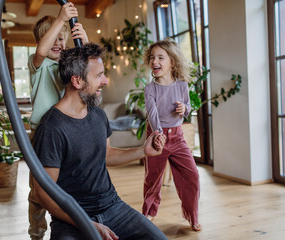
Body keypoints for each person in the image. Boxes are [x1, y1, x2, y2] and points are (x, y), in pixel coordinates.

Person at [32, 43, 168, 240]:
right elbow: (42, 193)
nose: (105, 81)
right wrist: (86, 223)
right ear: (77, 81)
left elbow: (106, 154)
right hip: (72, 218)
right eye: (98, 75)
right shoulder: (52, 128)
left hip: (112, 206)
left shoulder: (97, 114)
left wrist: (143, 151)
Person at [27, 3, 89, 239]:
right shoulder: (38, 64)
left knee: (66, 181)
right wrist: (61, 19)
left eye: (62, 40)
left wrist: (84, 37)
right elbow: (42, 49)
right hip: (42, 132)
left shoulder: (67, 65)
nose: (57, 44)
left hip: (66, 130)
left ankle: (66, 223)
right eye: (52, 37)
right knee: (39, 188)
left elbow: (88, 63)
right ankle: (37, 230)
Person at [142, 38, 202, 231]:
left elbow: (188, 109)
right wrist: (158, 134)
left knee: (192, 175)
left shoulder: (182, 85)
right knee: (152, 178)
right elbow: (152, 114)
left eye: (160, 57)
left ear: (172, 62)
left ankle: (192, 215)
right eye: (152, 57)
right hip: (156, 136)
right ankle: (149, 213)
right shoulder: (150, 88)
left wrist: (184, 108)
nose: (154, 61)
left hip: (177, 138)